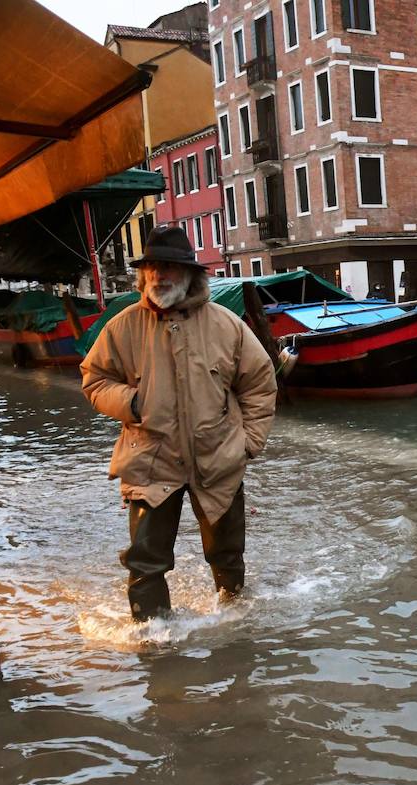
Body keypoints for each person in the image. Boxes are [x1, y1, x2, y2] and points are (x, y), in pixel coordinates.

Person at [81, 226, 277, 621]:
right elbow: (95, 380)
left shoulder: (228, 326)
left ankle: (237, 633)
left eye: (169, 267)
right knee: (145, 562)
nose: (159, 275)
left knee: (227, 556)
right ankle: (155, 647)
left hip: (219, 459)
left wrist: (248, 443)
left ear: (190, 274)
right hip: (150, 462)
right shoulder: (122, 327)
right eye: (153, 267)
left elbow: (259, 383)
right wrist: (132, 402)